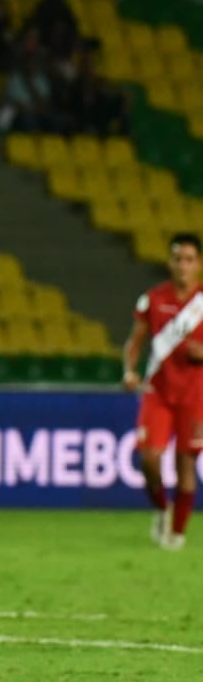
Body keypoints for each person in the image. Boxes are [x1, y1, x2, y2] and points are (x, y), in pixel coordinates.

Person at [122, 233, 203, 551]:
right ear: (169, 263)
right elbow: (134, 342)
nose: (183, 265)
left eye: (189, 260)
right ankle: (160, 509)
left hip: (195, 396)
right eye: (178, 259)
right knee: (149, 459)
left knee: (186, 465)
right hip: (158, 391)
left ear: (198, 264)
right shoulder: (153, 299)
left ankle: (177, 534)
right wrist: (129, 371)